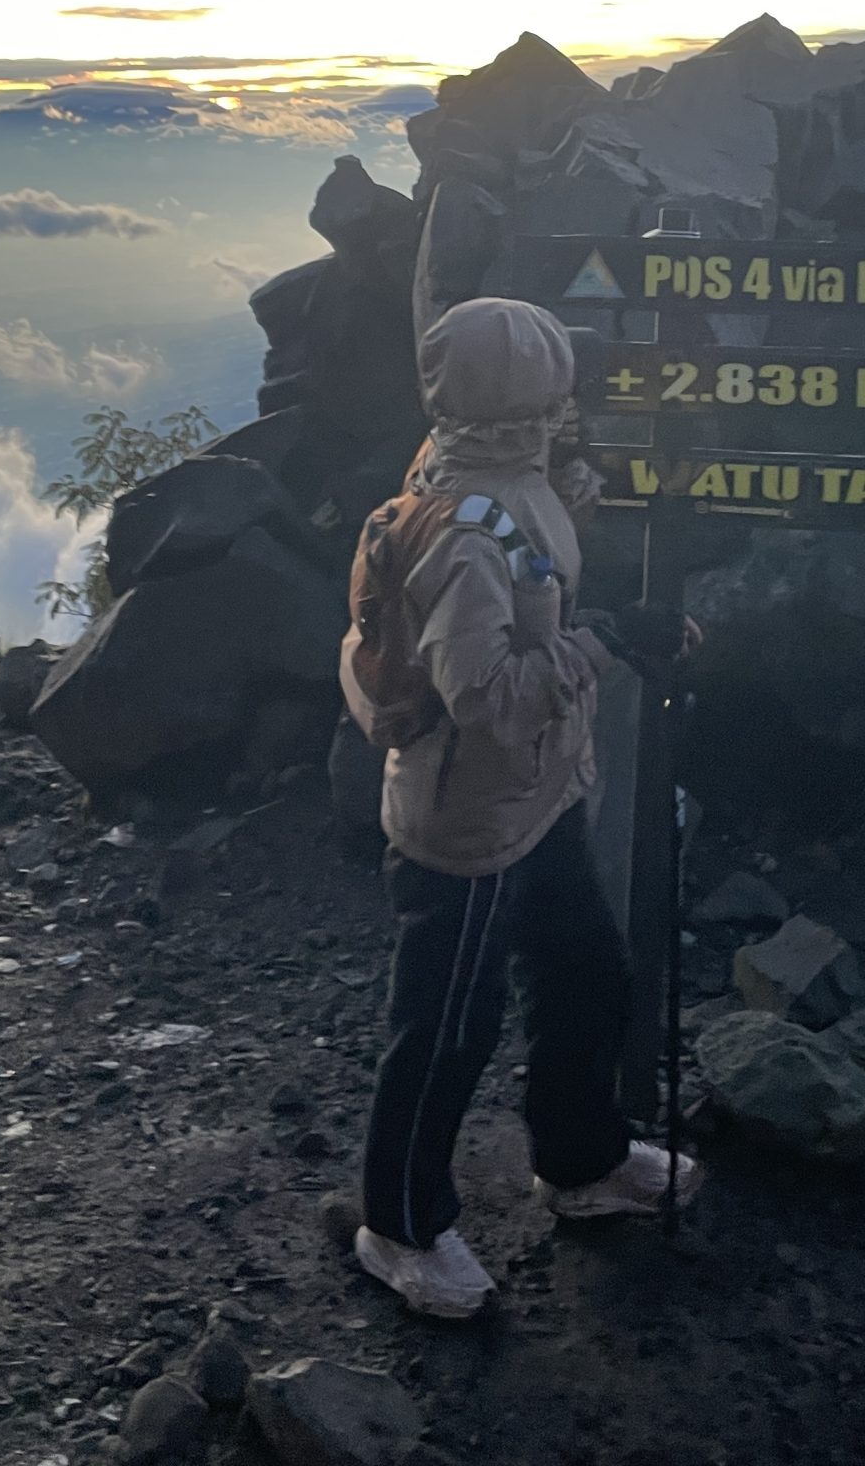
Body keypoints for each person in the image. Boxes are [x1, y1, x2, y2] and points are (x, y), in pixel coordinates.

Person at [343, 294, 700, 1319]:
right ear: (530, 401)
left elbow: (526, 541)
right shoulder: (463, 531)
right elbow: (486, 697)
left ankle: (581, 1161)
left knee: (586, 969)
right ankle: (400, 1226)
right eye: (555, 390)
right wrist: (606, 644)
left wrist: (576, 498)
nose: (568, 405)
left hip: (532, 802)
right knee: (448, 1027)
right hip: (465, 829)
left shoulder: (479, 467)